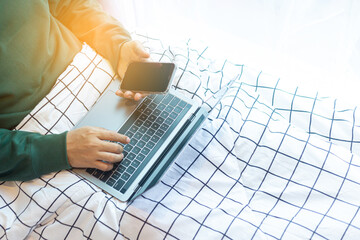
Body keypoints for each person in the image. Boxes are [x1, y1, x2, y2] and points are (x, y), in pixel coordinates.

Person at [0, 0, 150, 181]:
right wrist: (63, 150)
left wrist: (118, 46)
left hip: (99, 63)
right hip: (41, 138)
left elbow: (69, 4)